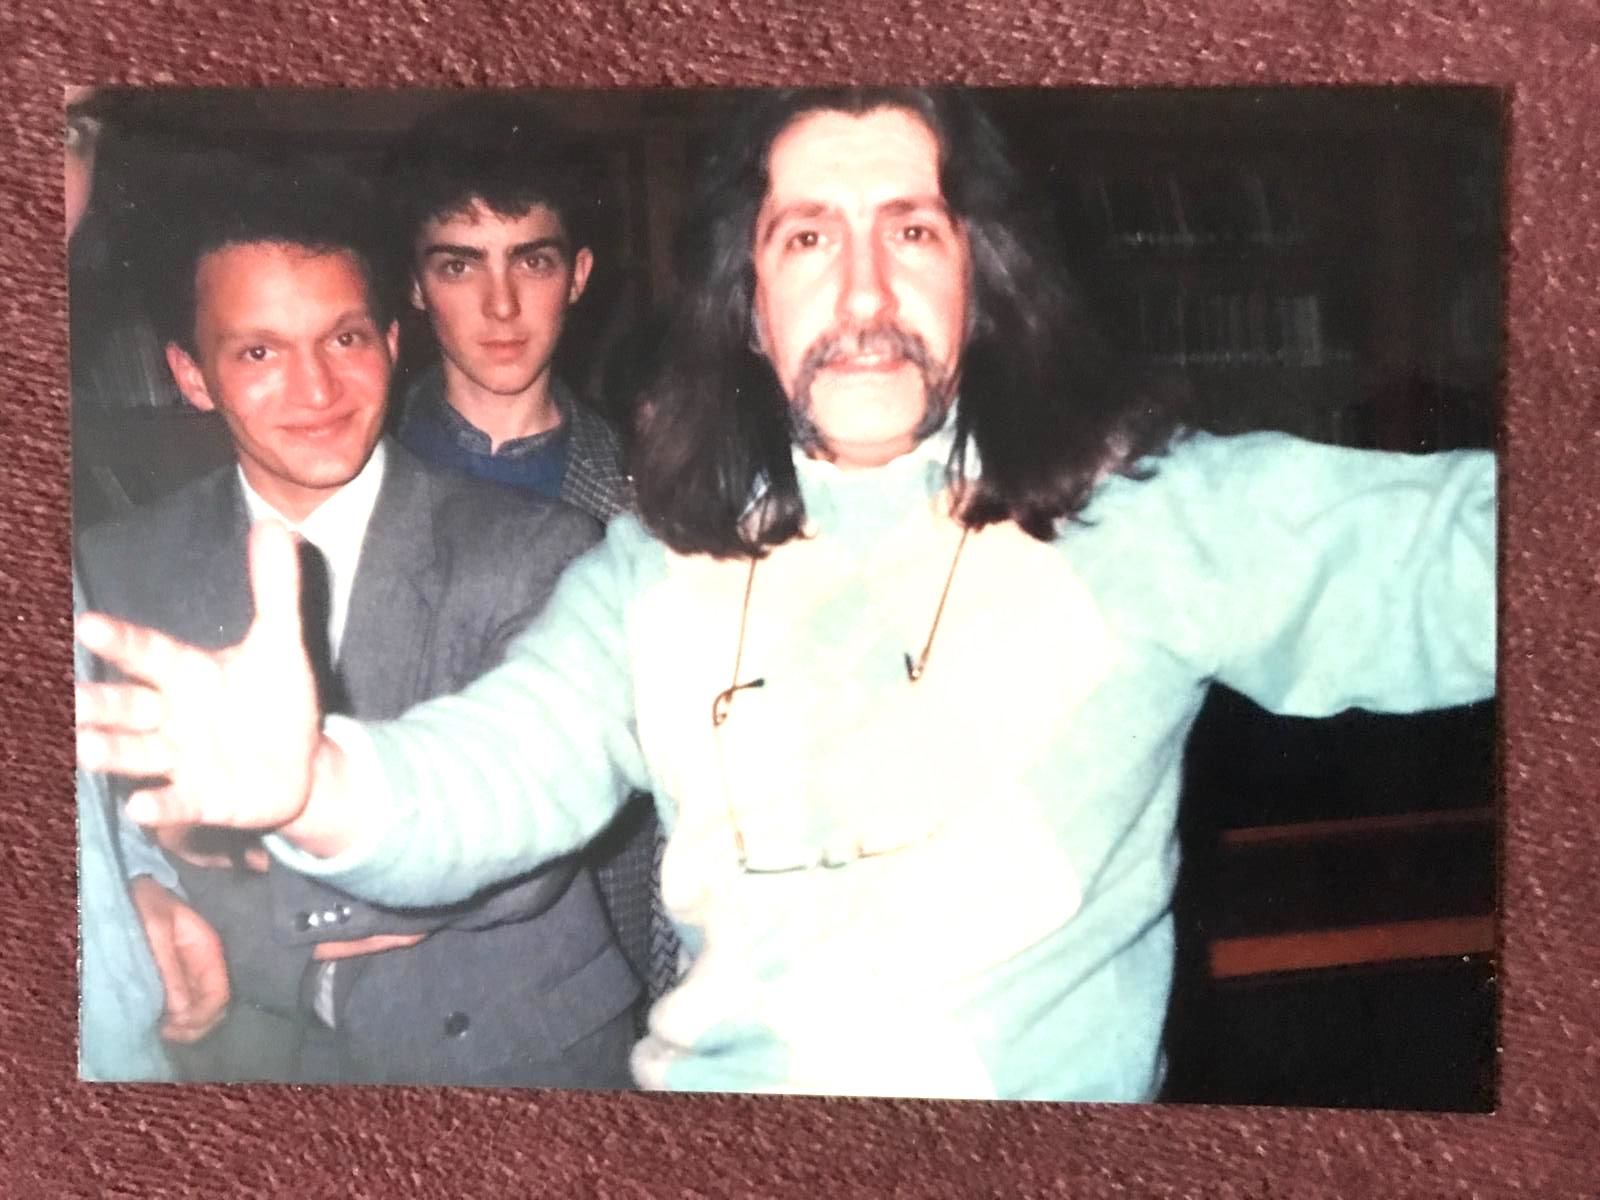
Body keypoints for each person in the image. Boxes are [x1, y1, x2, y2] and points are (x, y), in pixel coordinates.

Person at [76, 88, 1496, 1101]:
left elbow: (1473, 557)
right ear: (750, 303)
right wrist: (318, 783)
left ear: (982, 277)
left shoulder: (1151, 513)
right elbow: (498, 770)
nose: (864, 294)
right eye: (809, 238)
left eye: (914, 231)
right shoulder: (656, 561)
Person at [75, 160, 640, 1086]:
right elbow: (98, 822)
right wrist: (138, 885)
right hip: (246, 1054)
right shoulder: (113, 570)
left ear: (391, 341)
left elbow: (528, 851)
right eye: (259, 353)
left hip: (513, 1056)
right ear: (191, 375)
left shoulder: (535, 546)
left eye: (344, 339)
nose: (317, 390)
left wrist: (250, 886)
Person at [383, 97, 675, 1009]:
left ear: (579, 275)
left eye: (533, 260)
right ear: (414, 286)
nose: (501, 304)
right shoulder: (347, 485)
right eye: (459, 264)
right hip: (385, 988)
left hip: (603, 987)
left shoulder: (660, 506)